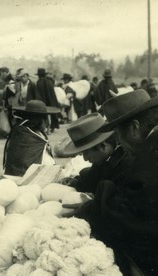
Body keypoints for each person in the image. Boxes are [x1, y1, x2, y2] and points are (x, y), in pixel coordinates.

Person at [73, 89, 158, 275]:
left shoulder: (151, 155)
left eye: (118, 135)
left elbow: (131, 215)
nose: (118, 141)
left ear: (134, 127)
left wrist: (90, 208)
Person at [61, 113, 128, 194]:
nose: (85, 159)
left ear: (102, 146)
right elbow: (92, 177)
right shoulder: (105, 158)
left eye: (86, 153)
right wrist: (76, 182)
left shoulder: (126, 162)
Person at [3, 100, 60, 176]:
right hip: (25, 176)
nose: (46, 123)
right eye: (44, 119)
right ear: (39, 119)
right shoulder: (24, 132)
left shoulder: (21, 129)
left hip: (15, 174)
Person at [36, 68, 61, 133]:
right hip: (51, 101)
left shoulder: (38, 83)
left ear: (38, 75)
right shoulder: (49, 82)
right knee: (51, 113)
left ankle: (46, 128)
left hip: (42, 102)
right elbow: (52, 94)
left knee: (44, 115)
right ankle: (51, 127)